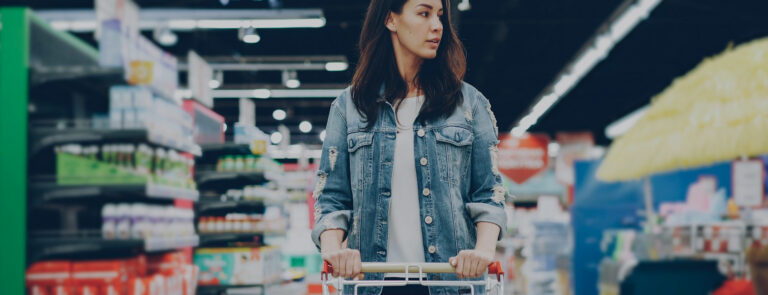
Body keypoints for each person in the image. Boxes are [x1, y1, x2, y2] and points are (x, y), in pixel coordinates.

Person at [311, 0, 507, 294]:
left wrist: (482, 251)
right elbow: (332, 198)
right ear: (391, 19)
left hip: (452, 282)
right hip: (373, 284)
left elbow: (489, 193)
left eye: (440, 15)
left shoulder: (468, 104)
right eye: (424, 13)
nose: (437, 25)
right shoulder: (349, 107)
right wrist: (334, 250)